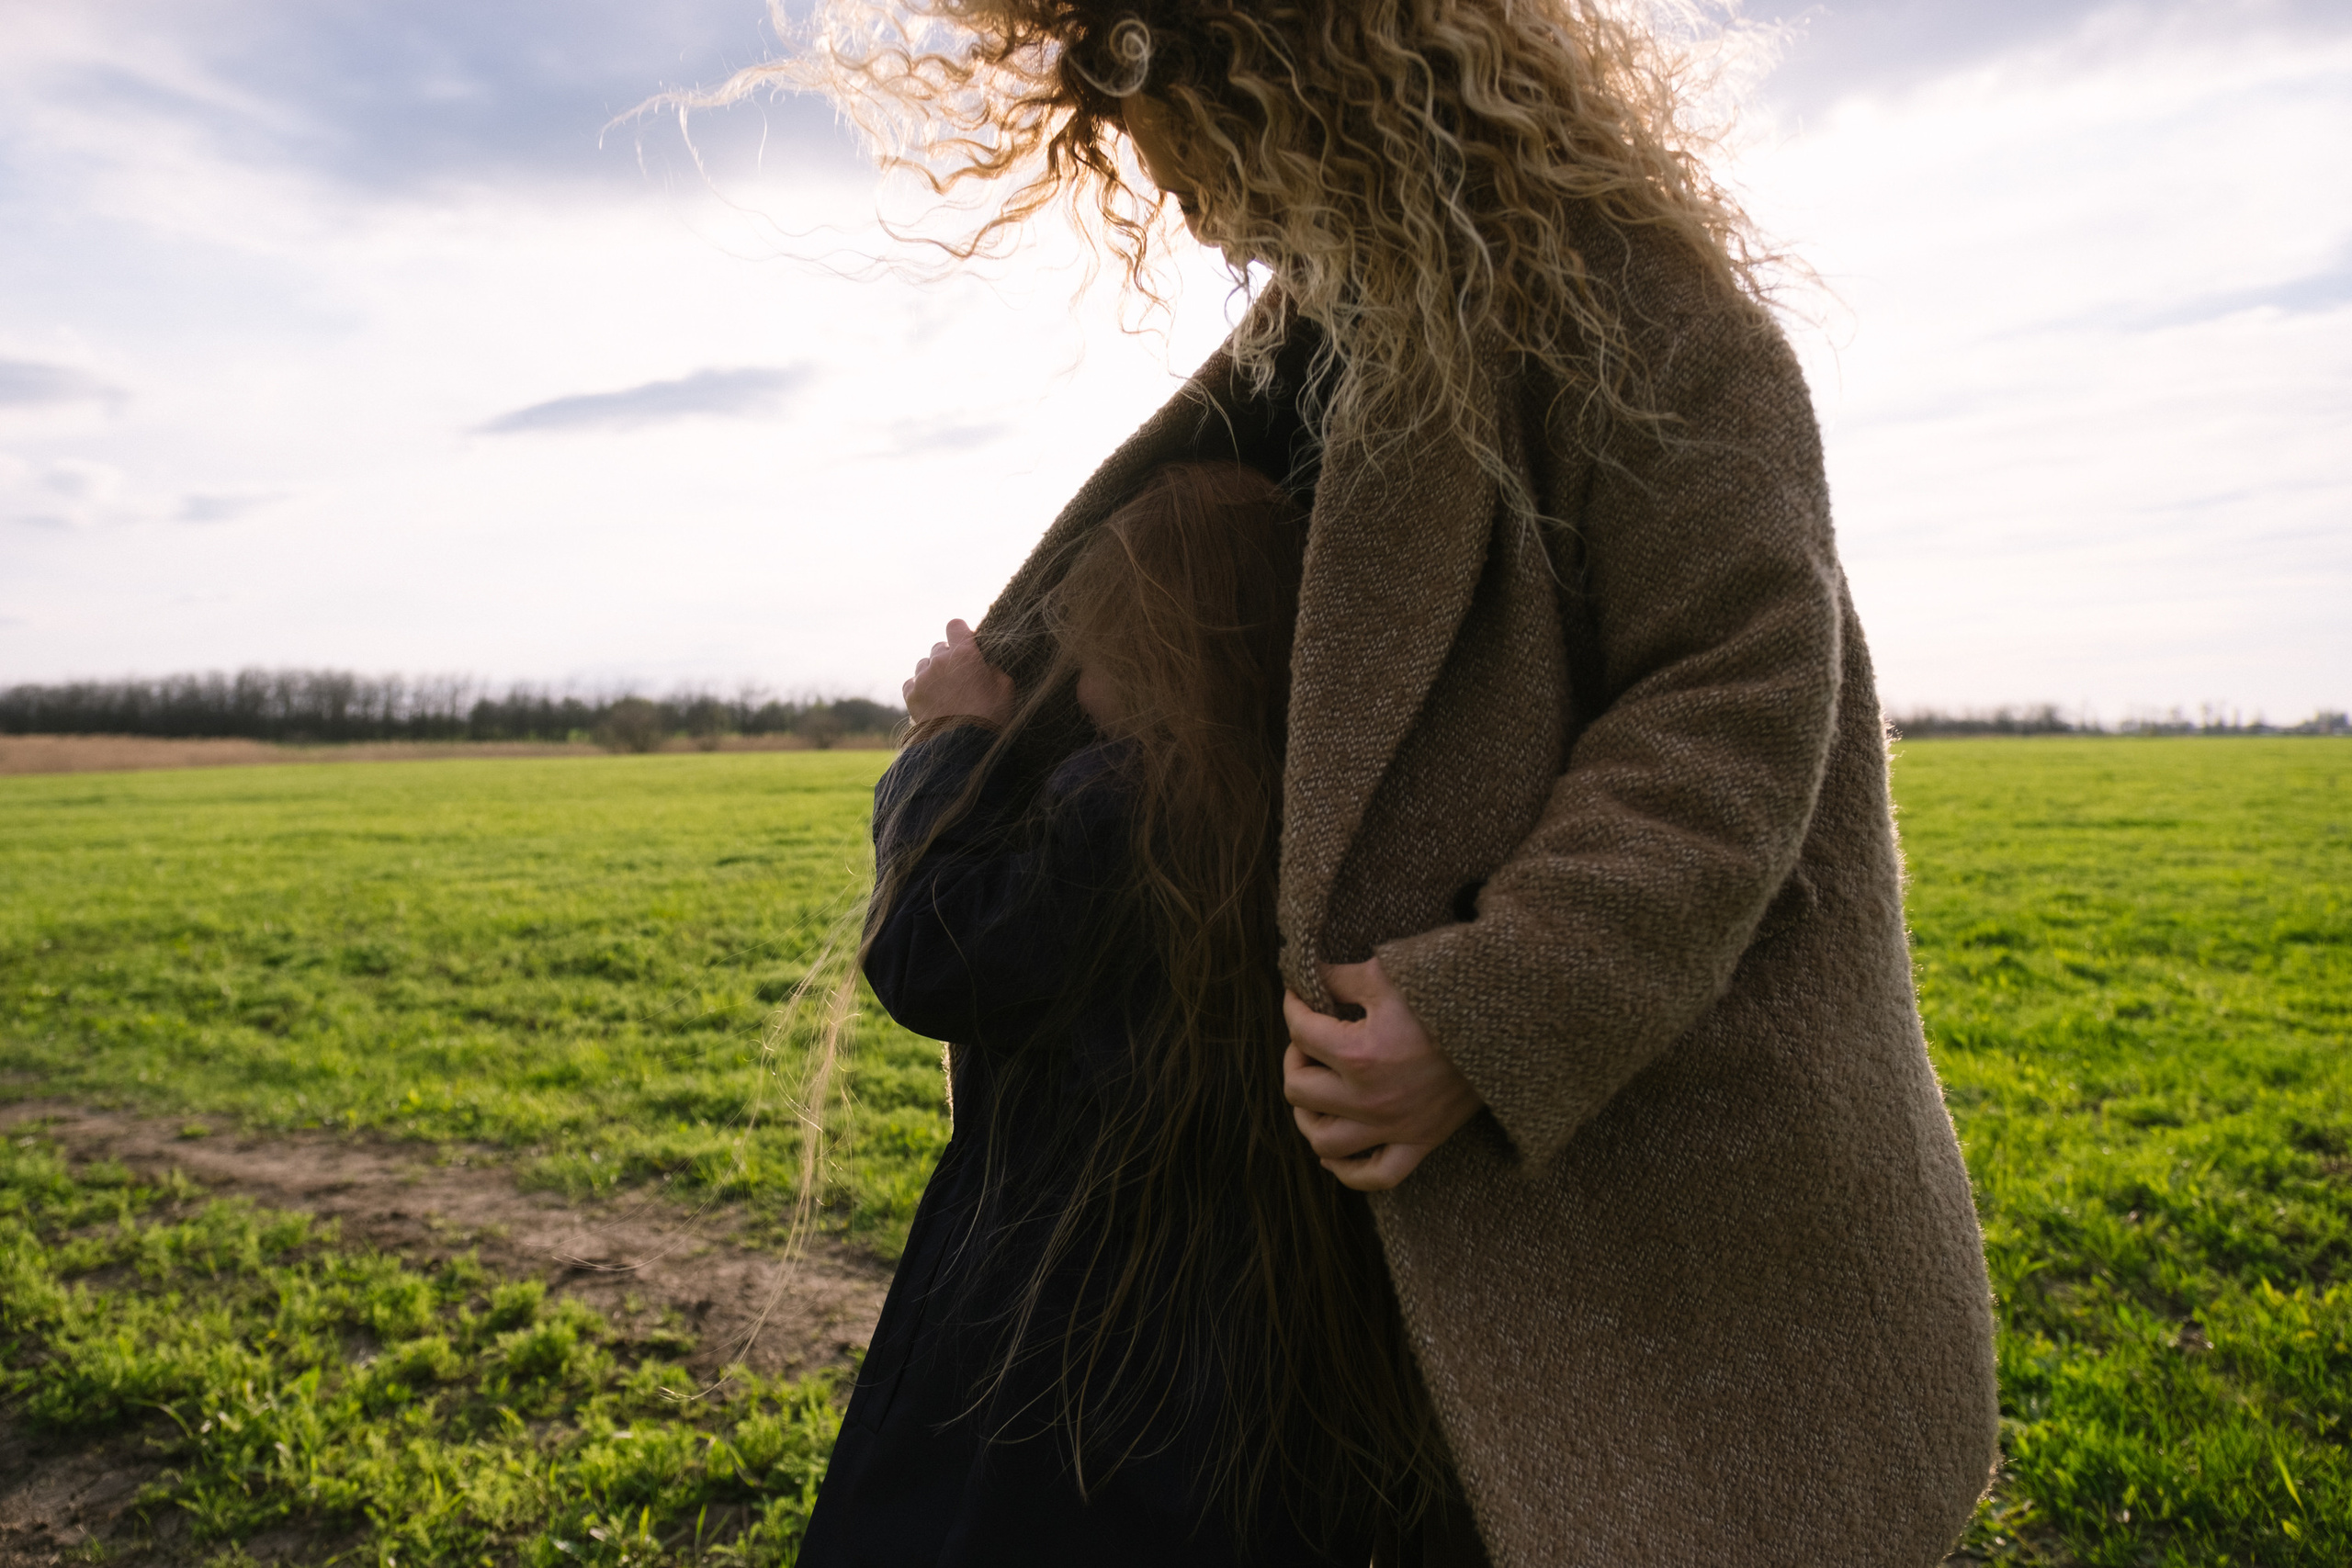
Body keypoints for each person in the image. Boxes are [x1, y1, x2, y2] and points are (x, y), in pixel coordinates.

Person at [757, 3, 2004, 1563]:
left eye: (1193, 158)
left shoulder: (1650, 317)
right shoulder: (1342, 323)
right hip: (1318, 1245)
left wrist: (1496, 1007)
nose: (1195, 214)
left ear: (1290, 72)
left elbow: (1735, 694)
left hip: (1577, 1156)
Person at [802, 462, 1450, 1566]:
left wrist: (956, 741)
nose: (1074, 669)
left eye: (1092, 639)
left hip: (1076, 1342)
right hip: (1257, 1350)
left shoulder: (1133, 803)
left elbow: (932, 953)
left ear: (1148, 642)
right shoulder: (1319, 806)